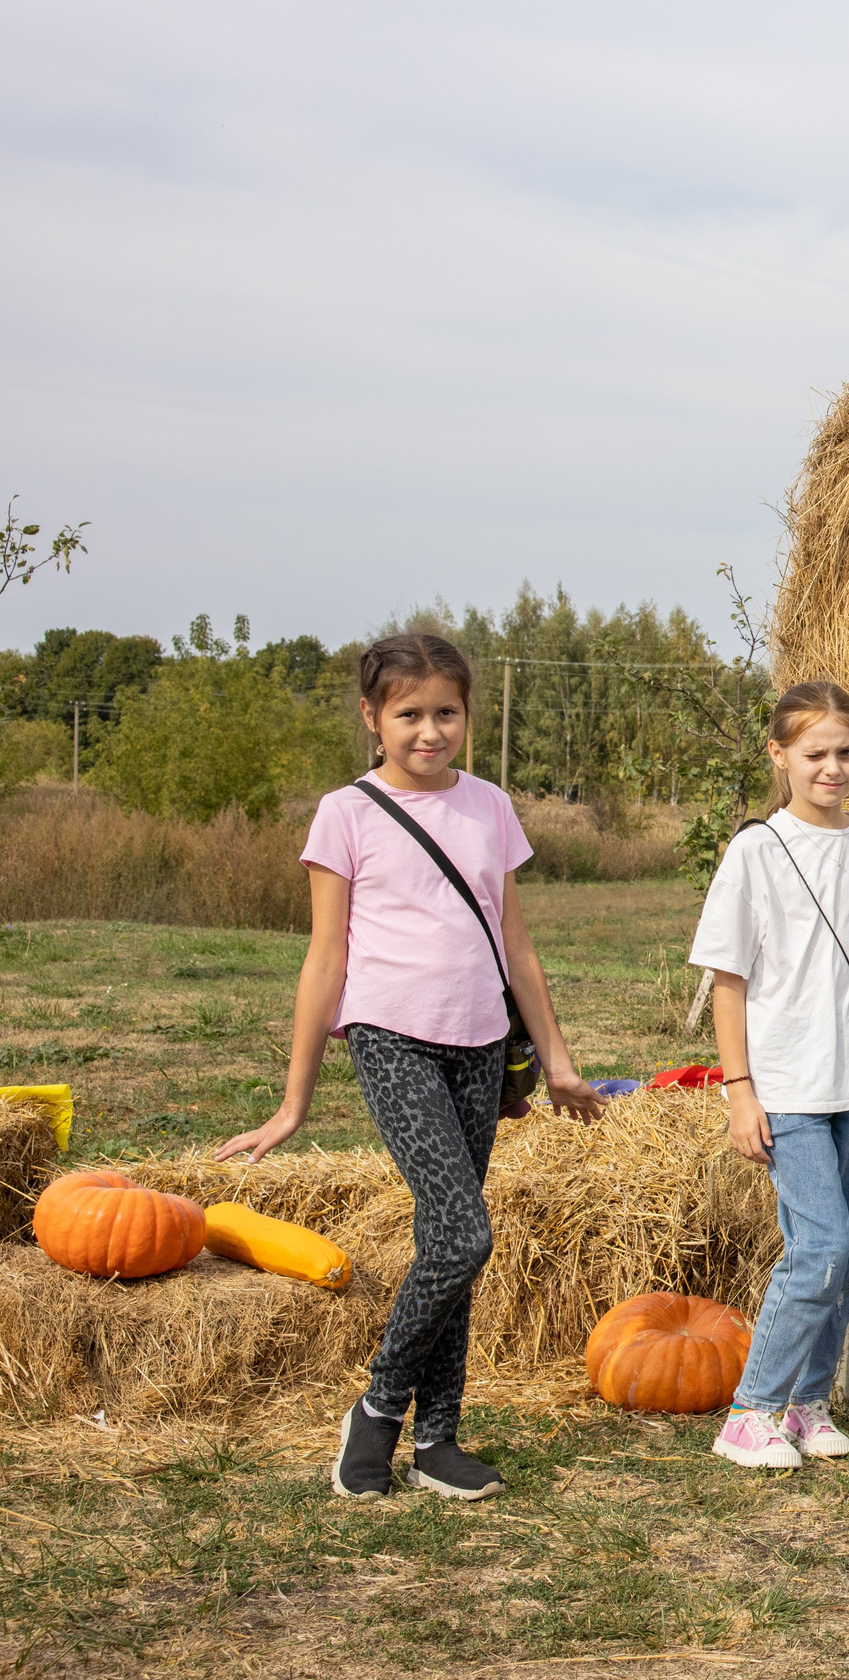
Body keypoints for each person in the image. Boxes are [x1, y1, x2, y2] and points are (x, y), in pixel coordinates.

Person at [219, 632, 604, 1502]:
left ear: (467, 715)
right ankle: (381, 1407)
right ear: (372, 717)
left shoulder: (489, 806)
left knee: (448, 1244)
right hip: (391, 1038)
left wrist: (559, 1060)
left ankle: (438, 1442)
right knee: (468, 1232)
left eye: (447, 713)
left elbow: (516, 944)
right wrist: (294, 1102)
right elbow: (323, 961)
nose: (430, 732)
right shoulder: (345, 814)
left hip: (477, 1043)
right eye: (409, 715)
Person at [697, 681, 849, 1471]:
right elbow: (729, 980)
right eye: (815, 754)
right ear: (780, 755)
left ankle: (808, 1403)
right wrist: (738, 1090)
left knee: (845, 1254)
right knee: (816, 1250)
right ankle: (749, 1412)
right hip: (786, 1086)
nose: (834, 768)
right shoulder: (757, 850)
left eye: (846, 753)